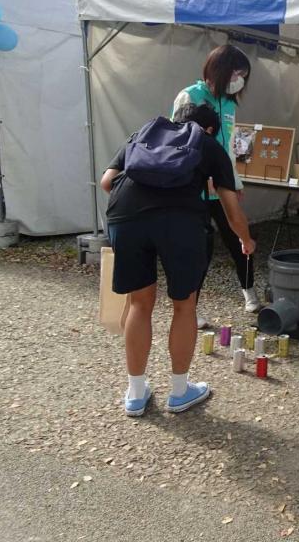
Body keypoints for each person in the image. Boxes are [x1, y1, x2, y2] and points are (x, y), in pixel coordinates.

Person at [101, 103, 256, 417]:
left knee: (140, 304)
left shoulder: (144, 133)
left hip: (125, 216)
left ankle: (135, 393)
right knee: (184, 304)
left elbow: (107, 182)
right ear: (209, 129)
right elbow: (230, 209)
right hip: (180, 223)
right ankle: (180, 391)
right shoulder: (208, 144)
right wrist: (246, 239)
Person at [171, 45, 261, 328]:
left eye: (244, 76)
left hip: (223, 184)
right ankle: (191, 306)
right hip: (195, 187)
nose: (240, 80)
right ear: (220, 71)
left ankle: (249, 290)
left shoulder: (230, 103)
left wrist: (235, 181)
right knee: (201, 248)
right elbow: (177, 142)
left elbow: (230, 149)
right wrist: (200, 176)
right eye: (237, 73)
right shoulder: (191, 96)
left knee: (240, 238)